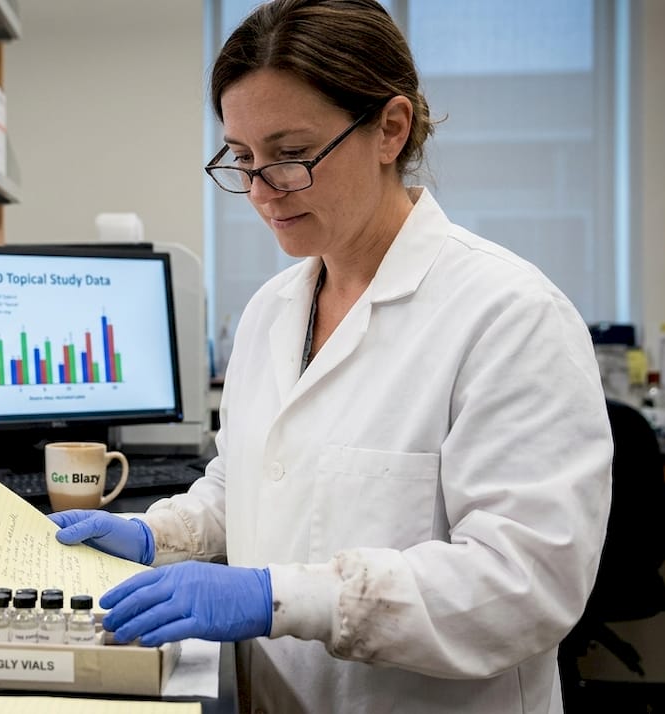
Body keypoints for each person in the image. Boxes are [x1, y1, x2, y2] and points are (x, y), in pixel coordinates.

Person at [48, 1, 613, 711]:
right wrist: (152, 534)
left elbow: (523, 585)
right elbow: (246, 484)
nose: (259, 191)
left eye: (289, 155)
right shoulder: (271, 311)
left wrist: (277, 595)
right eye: (243, 159)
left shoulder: (509, 315)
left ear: (390, 129)